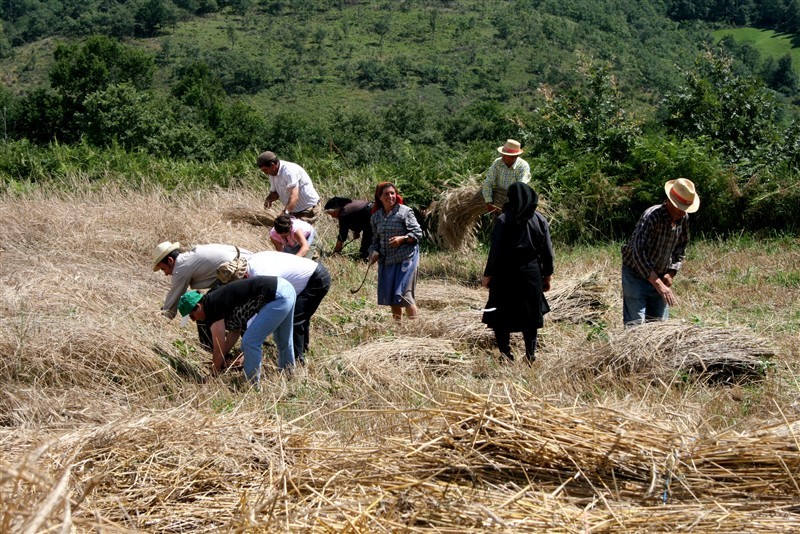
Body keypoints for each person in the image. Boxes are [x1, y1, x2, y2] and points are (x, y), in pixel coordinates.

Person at [481, 182, 554, 363]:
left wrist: (487, 275)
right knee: (530, 315)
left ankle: (506, 354)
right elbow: (548, 252)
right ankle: (530, 355)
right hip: (531, 273)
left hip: (505, 274)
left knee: (501, 315)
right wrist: (547, 275)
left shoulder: (504, 219)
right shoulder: (539, 219)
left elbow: (495, 251)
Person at [217, 251, 331, 366]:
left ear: (244, 277)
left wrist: (247, 352)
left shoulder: (260, 276)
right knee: (301, 317)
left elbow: (258, 315)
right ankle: (303, 350)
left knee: (296, 321)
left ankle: (297, 363)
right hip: (308, 274)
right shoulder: (249, 263)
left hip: (316, 279)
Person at [177, 275, 296, 384]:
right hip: (285, 288)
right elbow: (235, 331)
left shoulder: (212, 308)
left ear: (198, 307)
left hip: (277, 295)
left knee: (250, 342)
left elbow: (218, 348)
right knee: (283, 339)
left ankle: (251, 385)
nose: (194, 320)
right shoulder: (214, 300)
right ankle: (289, 376)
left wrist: (213, 375)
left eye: (192, 316)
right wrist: (222, 358)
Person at [621, 178, 699, 326]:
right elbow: (637, 253)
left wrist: (671, 272)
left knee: (659, 325)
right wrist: (659, 285)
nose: (683, 213)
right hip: (636, 275)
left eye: (685, 209)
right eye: (680, 208)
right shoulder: (651, 216)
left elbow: (681, 248)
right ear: (669, 201)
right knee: (636, 326)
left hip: (660, 275)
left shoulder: (683, 219)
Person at [152, 242, 252, 349]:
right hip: (247, 262)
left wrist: (157, 321)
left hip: (240, 271)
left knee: (203, 310)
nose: (166, 274)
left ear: (170, 261)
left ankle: (213, 350)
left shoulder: (181, 267)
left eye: (163, 269)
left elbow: (170, 307)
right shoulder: (190, 256)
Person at [368, 182, 423, 322]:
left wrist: (402, 239)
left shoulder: (405, 212)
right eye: (386, 194)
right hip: (387, 260)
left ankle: (415, 328)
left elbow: (418, 233)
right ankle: (398, 327)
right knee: (393, 296)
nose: (390, 196)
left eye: (392, 193)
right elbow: (375, 240)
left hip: (406, 257)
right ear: (379, 197)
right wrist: (374, 252)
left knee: (405, 294)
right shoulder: (376, 217)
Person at [257, 151, 322, 224]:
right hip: (294, 210)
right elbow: (275, 193)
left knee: (298, 232)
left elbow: (294, 196)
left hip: (308, 209)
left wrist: (285, 214)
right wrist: (268, 200)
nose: (264, 173)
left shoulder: (288, 171)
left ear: (272, 165)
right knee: (286, 231)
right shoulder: (272, 173)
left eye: (265, 170)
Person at [482, 139, 531, 213]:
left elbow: (520, 189)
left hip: (513, 200)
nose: (503, 156)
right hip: (498, 195)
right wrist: (489, 202)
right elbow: (488, 182)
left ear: (515, 156)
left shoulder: (523, 167)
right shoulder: (497, 163)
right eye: (503, 153)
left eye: (506, 155)